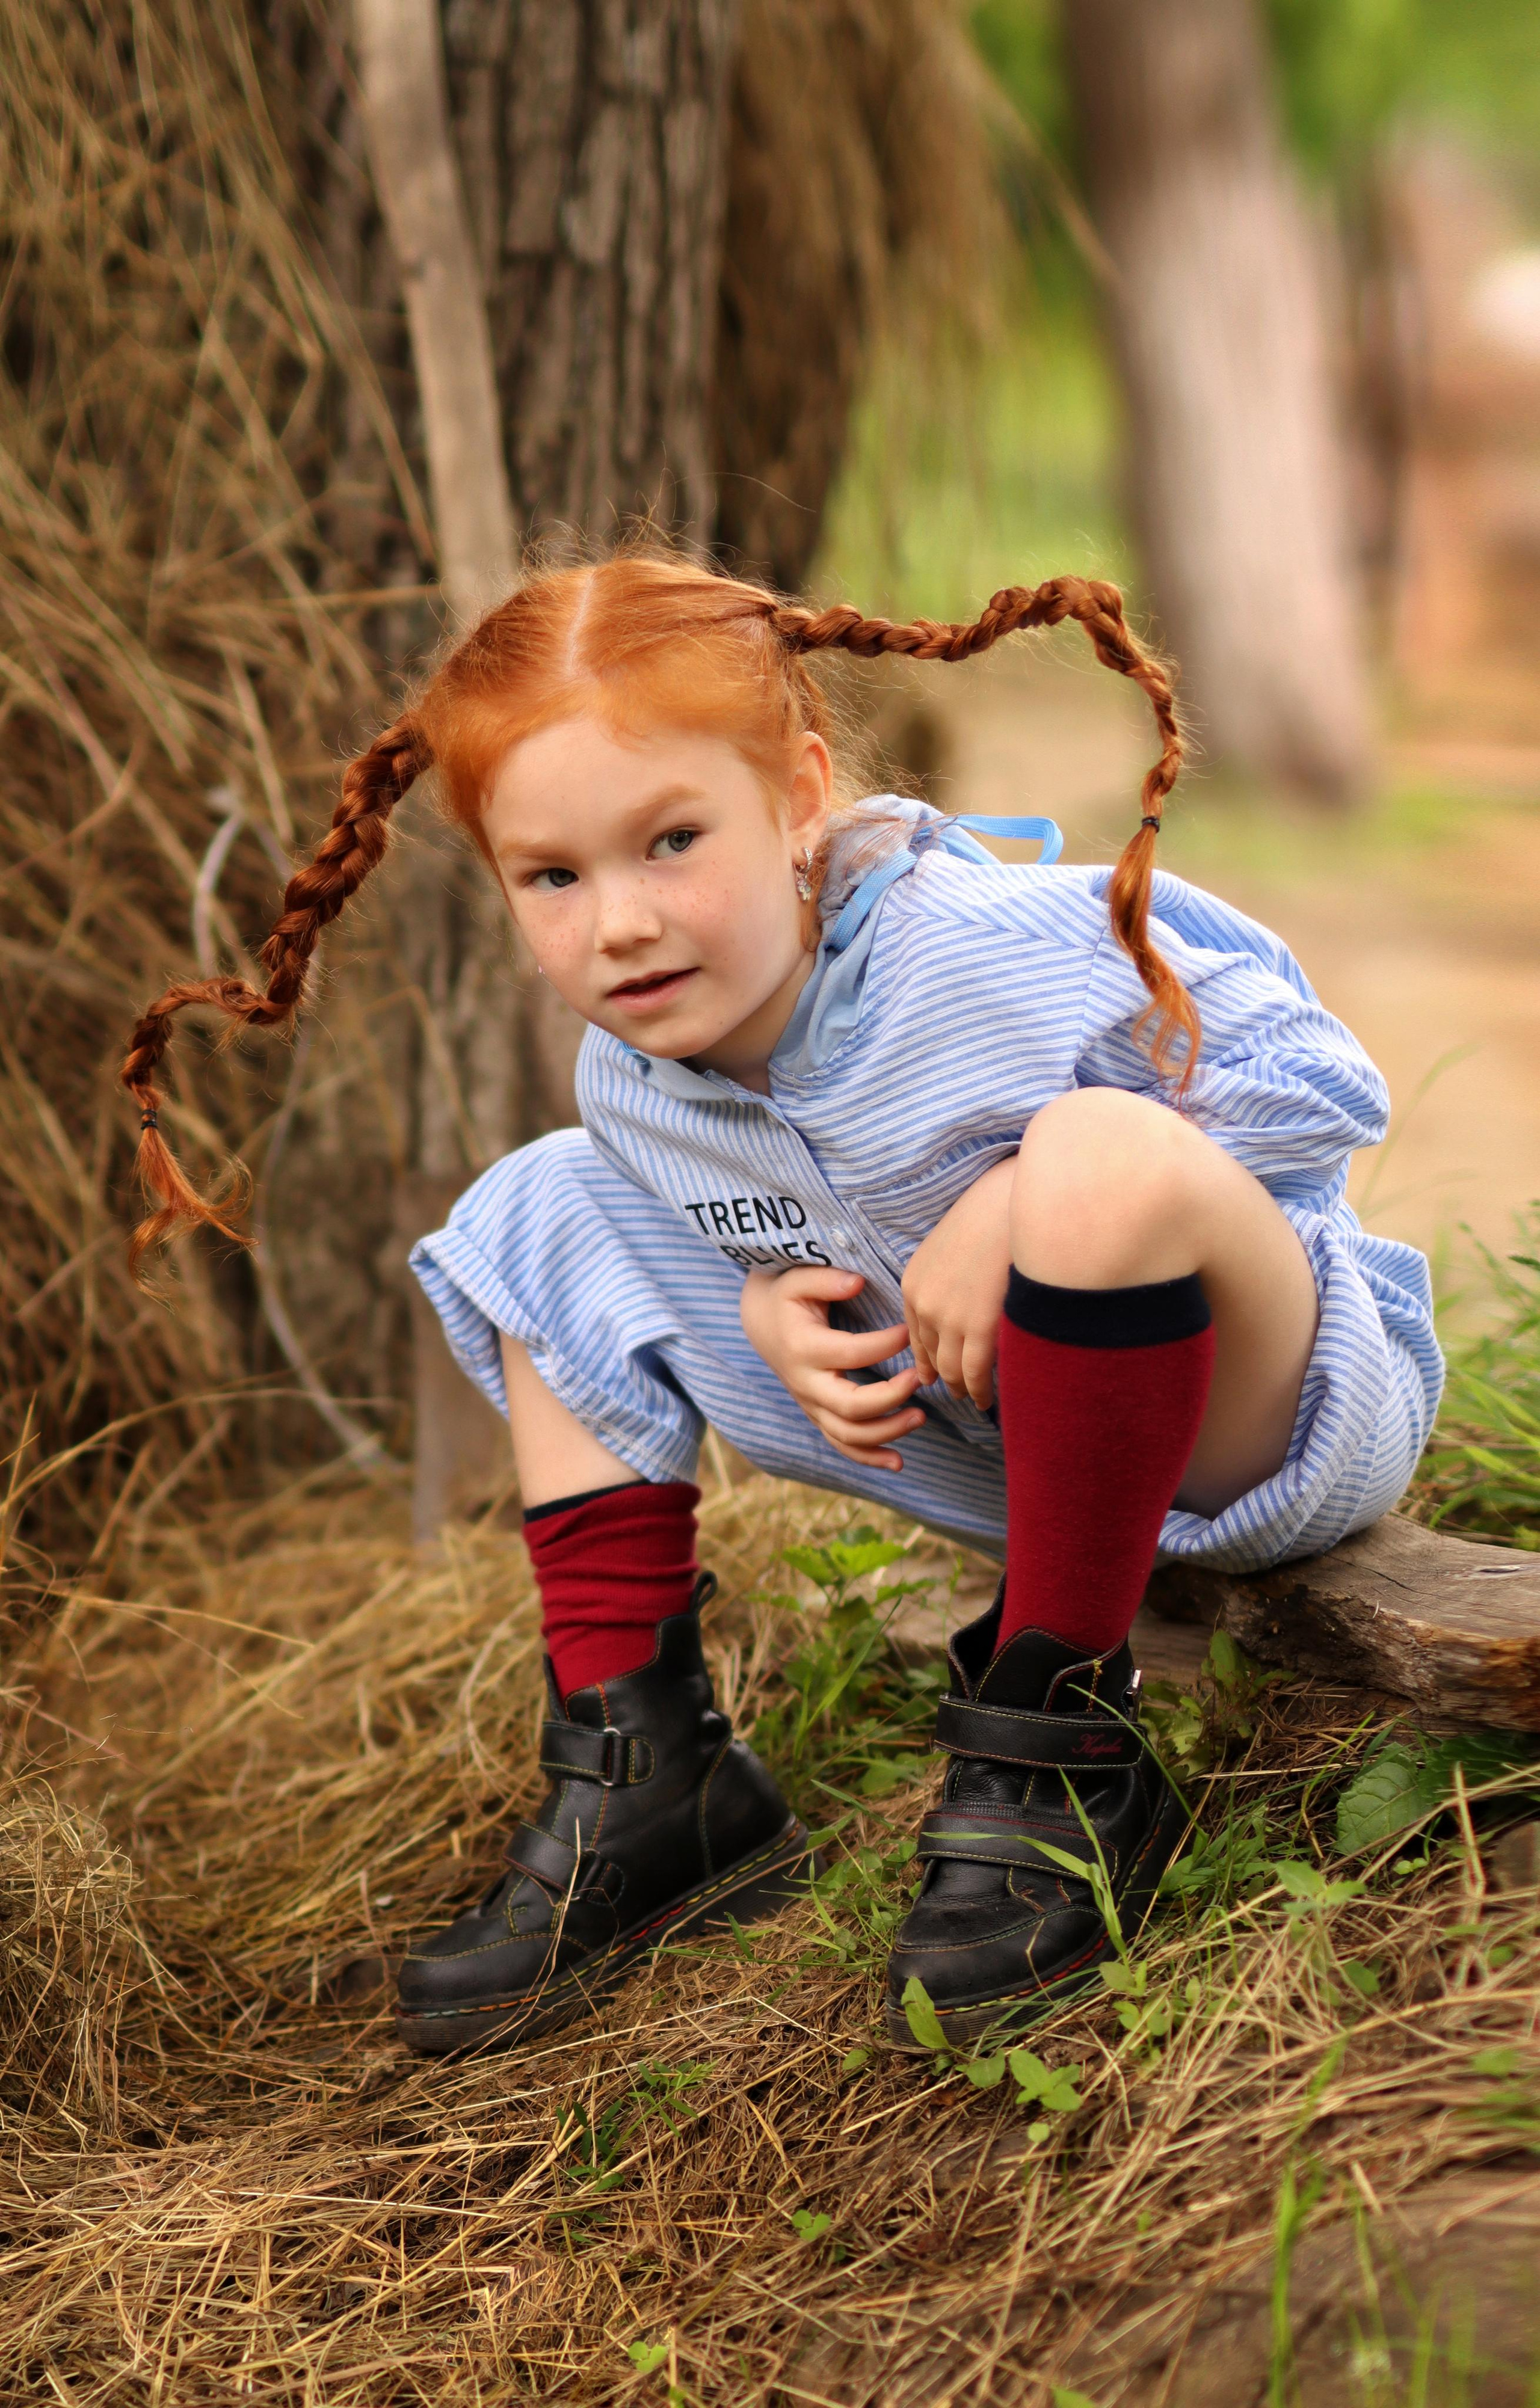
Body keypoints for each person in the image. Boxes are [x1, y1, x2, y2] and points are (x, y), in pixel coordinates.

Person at [121, 554, 1442, 2056]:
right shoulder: (632, 1077)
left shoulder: (979, 951)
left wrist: (1014, 1198)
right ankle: (652, 1772)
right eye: (552, 877)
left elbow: (1322, 1086)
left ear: (798, 795)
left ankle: (1062, 1732)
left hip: (1262, 1418)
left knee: (1092, 1158)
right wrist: (761, 1317)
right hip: (1012, 1440)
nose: (619, 923)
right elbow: (768, 1218)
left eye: (670, 841)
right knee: (535, 1207)